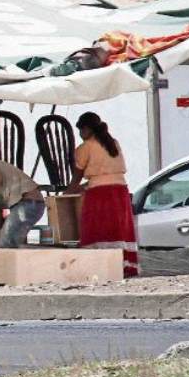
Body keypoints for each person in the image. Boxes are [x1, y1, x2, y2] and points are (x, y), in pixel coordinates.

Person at [66, 112, 138, 277]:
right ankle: (122, 265)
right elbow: (106, 173)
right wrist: (85, 186)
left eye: (81, 131)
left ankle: (99, 267)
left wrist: (68, 192)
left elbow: (77, 177)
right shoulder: (113, 143)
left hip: (100, 194)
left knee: (97, 229)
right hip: (120, 191)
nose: (80, 135)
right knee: (118, 229)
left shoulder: (85, 147)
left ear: (86, 129)